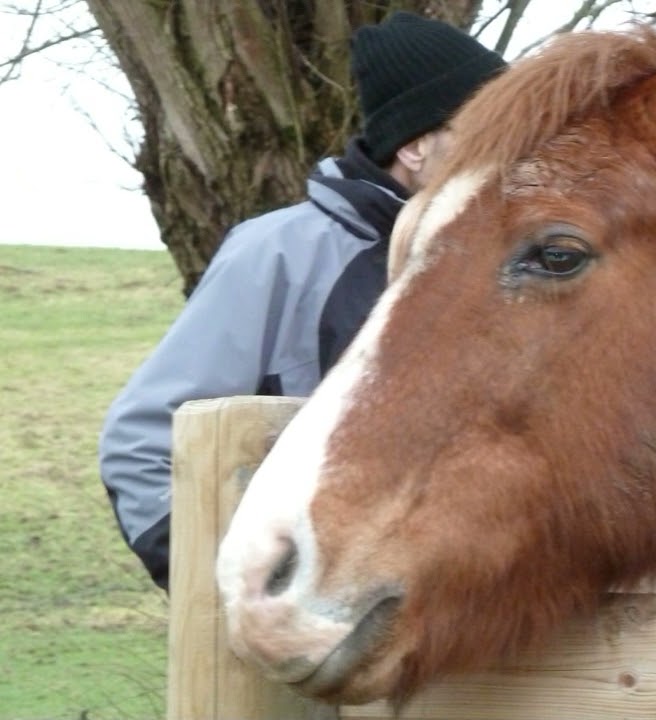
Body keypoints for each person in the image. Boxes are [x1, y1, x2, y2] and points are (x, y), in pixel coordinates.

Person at [99, 13, 507, 591]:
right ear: (416, 147)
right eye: (486, 131)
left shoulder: (492, 261)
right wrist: (235, 595)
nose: (508, 152)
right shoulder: (279, 252)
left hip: (447, 631)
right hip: (302, 639)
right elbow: (142, 443)